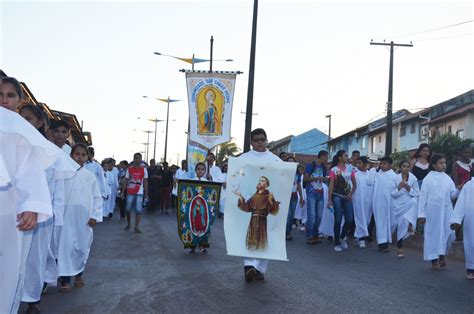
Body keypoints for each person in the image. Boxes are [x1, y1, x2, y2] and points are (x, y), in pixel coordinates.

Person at [0, 103, 62, 314]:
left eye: (10, 95)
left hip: (25, 215)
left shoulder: (35, 146)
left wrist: (34, 206)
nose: (4, 101)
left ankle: (30, 298)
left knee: (26, 262)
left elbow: (45, 184)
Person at [19, 105, 77, 312]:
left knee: (35, 260)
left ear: (40, 124)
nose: (25, 122)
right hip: (11, 215)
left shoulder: (50, 152)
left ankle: (32, 300)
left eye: (30, 119)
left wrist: (56, 220)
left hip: (40, 218)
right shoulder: (9, 144)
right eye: (22, 118)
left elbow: (57, 193)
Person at [234, 128, 281, 282]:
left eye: (262, 139)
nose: (260, 142)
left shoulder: (275, 160)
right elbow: (236, 176)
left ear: (267, 140)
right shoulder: (244, 158)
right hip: (253, 215)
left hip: (265, 217)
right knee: (247, 238)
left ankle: (260, 269)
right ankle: (248, 266)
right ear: (251, 142)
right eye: (256, 140)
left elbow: (284, 178)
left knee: (267, 241)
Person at [57, 143, 102, 293]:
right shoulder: (63, 173)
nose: (80, 157)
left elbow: (96, 197)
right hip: (66, 217)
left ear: (87, 157)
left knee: (82, 247)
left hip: (84, 218)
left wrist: (95, 215)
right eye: (77, 154)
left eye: (83, 155)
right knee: (65, 247)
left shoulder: (90, 176)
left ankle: (78, 275)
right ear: (71, 155)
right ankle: (64, 279)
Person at [418, 154, 461, 270]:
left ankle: (442, 254)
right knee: (434, 234)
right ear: (434, 165)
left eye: (444, 162)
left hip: (446, 211)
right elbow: (423, 197)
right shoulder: (428, 178)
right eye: (440, 163)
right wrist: (421, 214)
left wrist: (458, 190)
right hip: (433, 212)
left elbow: (452, 195)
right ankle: (434, 259)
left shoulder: (447, 178)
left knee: (448, 233)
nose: (443, 165)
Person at [328, 150, 357, 252]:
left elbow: (354, 184)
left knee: (349, 220)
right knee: (338, 220)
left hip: (347, 197)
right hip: (336, 197)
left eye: (347, 155)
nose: (347, 157)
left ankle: (342, 236)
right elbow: (331, 185)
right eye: (345, 155)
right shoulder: (333, 170)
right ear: (340, 157)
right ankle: (337, 243)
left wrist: (350, 193)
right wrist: (329, 200)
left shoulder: (350, 169)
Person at [391, 160, 420, 258]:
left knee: (414, 201)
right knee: (401, 225)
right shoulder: (395, 178)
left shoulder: (413, 178)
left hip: (409, 203)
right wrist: (399, 188)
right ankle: (400, 248)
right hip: (398, 205)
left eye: (408, 166)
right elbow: (392, 194)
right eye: (404, 166)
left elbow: (417, 193)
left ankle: (410, 224)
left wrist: (408, 188)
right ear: (400, 167)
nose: (406, 168)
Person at [451, 170, 474, 279]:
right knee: (471, 243)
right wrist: (456, 219)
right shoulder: (469, 186)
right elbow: (461, 204)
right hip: (472, 220)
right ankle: (471, 268)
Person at [372, 156, 397, 252]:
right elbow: (369, 182)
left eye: (384, 163)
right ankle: (382, 243)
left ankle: (386, 238)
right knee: (380, 222)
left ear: (390, 165)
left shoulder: (395, 176)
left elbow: (397, 189)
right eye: (381, 163)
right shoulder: (377, 175)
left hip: (391, 202)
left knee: (393, 222)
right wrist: (372, 171)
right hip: (379, 202)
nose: (382, 165)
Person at [303, 150, 329, 244]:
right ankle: (310, 236)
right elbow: (306, 178)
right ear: (322, 157)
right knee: (312, 215)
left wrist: (326, 179)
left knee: (319, 216)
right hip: (311, 192)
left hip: (320, 193)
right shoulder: (311, 166)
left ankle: (315, 234)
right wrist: (318, 178)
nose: (327, 160)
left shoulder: (324, 167)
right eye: (326, 157)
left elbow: (323, 178)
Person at [122, 153, 148, 233]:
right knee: (127, 209)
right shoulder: (129, 169)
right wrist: (123, 192)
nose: (137, 159)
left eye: (138, 158)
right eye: (136, 158)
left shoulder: (144, 170)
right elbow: (126, 181)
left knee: (138, 210)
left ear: (141, 159)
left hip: (139, 193)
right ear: (133, 159)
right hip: (130, 192)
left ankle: (136, 227)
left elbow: (145, 182)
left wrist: (146, 194)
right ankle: (129, 224)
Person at [188, 162, 212, 253]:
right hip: (194, 208)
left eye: (202, 169)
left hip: (203, 209)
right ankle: (192, 246)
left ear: (205, 171)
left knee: (204, 225)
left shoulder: (207, 182)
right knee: (192, 225)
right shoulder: (191, 181)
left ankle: (202, 246)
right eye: (198, 169)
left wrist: (211, 180)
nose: (200, 171)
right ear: (195, 170)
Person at [352, 156, 374, 248]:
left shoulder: (371, 174)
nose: (358, 165)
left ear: (365, 164)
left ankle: (359, 235)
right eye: (357, 163)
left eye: (360, 163)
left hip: (368, 201)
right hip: (358, 200)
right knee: (360, 218)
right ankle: (362, 239)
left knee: (367, 219)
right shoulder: (355, 175)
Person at [285, 156, 303, 240]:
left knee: (291, 216)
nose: (291, 163)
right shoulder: (284, 172)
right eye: (289, 161)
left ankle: (288, 232)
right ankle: (285, 233)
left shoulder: (297, 174)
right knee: (287, 216)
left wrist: (302, 197)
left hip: (294, 196)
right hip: (286, 196)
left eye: (292, 161)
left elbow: (299, 186)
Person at [293, 164, 307, 231]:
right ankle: (297, 221)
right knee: (298, 207)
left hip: (304, 193)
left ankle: (303, 222)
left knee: (303, 208)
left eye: (302, 169)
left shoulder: (304, 177)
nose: (300, 171)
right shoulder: (296, 176)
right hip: (297, 193)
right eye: (299, 169)